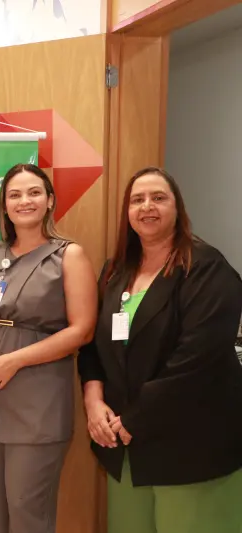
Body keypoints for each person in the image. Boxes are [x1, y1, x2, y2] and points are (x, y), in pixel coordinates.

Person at [77, 167, 242, 533]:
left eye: (158, 198)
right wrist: (93, 401)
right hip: (125, 446)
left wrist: (135, 417)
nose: (147, 206)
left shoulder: (206, 268)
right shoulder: (115, 271)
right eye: (137, 200)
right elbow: (92, 345)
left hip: (192, 446)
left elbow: (198, 359)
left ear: (177, 208)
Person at [0, 163, 97, 533]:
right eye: (15, 195)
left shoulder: (68, 255)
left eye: (34, 192)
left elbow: (82, 330)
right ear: (4, 206)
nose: (25, 201)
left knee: (26, 511)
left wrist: (15, 361)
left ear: (50, 200)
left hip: (39, 400)